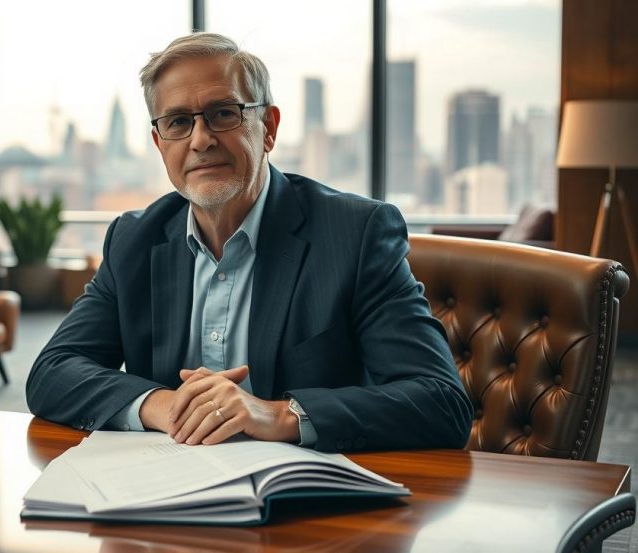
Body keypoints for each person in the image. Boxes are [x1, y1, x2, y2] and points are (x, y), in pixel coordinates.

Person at [25, 32, 472, 452]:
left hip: (308, 508)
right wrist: (165, 405)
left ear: (269, 127)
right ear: (160, 145)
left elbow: (440, 401)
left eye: (223, 113)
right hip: (164, 496)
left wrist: (278, 414)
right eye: (179, 122)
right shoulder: (135, 240)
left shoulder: (356, 234)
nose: (201, 140)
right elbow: (52, 373)